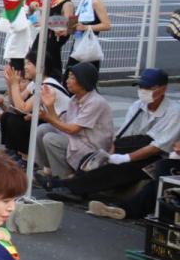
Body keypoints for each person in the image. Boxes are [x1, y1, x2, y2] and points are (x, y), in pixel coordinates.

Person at [46, 68, 180, 201]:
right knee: (98, 160)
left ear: (163, 89)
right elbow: (124, 135)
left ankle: (68, 187)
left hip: (157, 157)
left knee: (123, 168)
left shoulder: (174, 112)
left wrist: (126, 157)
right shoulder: (138, 105)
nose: (143, 90)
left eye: (149, 87)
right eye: (141, 86)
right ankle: (72, 187)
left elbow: (156, 147)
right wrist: (111, 153)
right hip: (133, 147)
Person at [33, 61, 114, 181]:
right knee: (42, 129)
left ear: (83, 81)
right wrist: (50, 105)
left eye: (72, 77)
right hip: (76, 141)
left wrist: (48, 117)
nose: (67, 80)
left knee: (50, 138)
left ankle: (66, 178)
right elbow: (61, 123)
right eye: (69, 76)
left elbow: (72, 129)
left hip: (91, 148)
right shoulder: (74, 99)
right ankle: (48, 170)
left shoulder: (95, 102)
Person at [0, 56, 69, 158]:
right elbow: (15, 103)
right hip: (47, 119)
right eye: (25, 63)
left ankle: (27, 157)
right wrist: (10, 85)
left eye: (29, 63)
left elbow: (23, 108)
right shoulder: (35, 82)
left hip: (59, 125)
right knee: (7, 116)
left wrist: (14, 85)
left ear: (41, 67)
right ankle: (14, 150)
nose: (25, 67)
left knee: (15, 121)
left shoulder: (47, 85)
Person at [28, 0, 75, 83]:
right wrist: (32, 8)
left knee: (49, 67)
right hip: (43, 37)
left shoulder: (67, 3)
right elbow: (32, 18)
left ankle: (51, 90)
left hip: (53, 41)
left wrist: (46, 22)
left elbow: (71, 27)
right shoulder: (49, 0)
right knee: (36, 64)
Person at [66, 0, 112, 75]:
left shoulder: (96, 1)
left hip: (89, 45)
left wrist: (86, 27)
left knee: (82, 79)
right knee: (72, 77)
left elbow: (107, 25)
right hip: (78, 42)